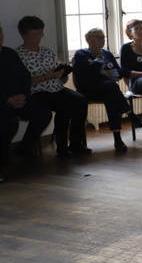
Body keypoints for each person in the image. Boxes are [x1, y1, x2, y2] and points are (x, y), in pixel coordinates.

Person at [16, 15, 91, 157]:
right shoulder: (18, 55)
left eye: (40, 33)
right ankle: (62, 147)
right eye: (34, 34)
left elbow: (59, 77)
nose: (38, 37)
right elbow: (23, 83)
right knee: (64, 105)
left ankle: (76, 142)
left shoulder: (47, 52)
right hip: (37, 91)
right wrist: (47, 76)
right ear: (23, 34)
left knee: (80, 100)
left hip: (57, 88)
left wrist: (63, 74)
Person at [72, 28, 142, 153]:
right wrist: (100, 63)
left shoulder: (107, 53)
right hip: (88, 89)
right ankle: (132, 116)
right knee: (111, 87)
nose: (103, 40)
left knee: (111, 97)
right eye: (100, 37)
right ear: (89, 39)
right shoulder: (80, 54)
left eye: (104, 37)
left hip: (106, 89)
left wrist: (107, 73)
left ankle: (118, 139)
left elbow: (118, 72)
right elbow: (87, 74)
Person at [0, 21, 52, 172]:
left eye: (0, 31)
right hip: (2, 102)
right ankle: (2, 159)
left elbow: (25, 77)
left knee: (43, 113)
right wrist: (6, 100)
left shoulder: (10, 54)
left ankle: (23, 148)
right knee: (9, 123)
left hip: (18, 98)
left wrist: (23, 94)